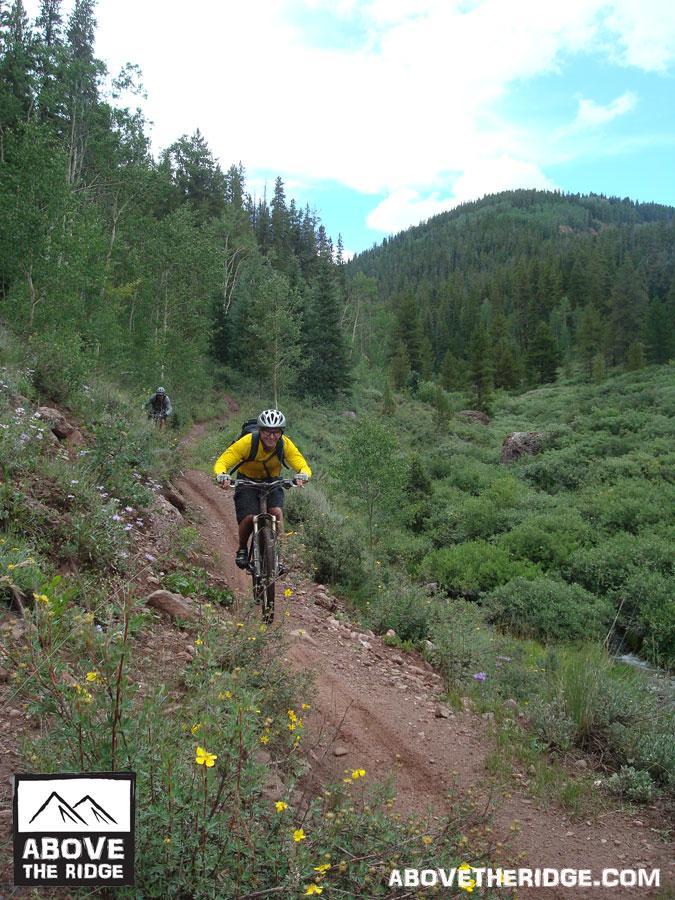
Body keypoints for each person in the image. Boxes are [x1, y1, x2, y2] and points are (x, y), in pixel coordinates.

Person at [213, 409, 311, 570]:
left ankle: (278, 554)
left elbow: (301, 464)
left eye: (276, 432)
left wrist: (302, 475)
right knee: (249, 517)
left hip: (272, 480)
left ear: (281, 433)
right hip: (247, 480)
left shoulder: (284, 444)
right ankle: (243, 548)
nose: (271, 437)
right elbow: (223, 461)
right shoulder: (247, 442)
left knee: (276, 512)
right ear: (260, 430)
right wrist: (222, 475)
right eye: (267, 432)